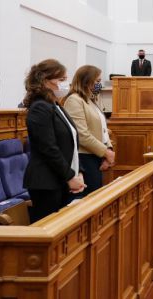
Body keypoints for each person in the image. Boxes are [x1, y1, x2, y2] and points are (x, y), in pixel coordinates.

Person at [23, 59, 86, 223]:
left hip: (59, 178)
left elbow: (70, 142)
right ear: (45, 81)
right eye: (60, 80)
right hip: (46, 182)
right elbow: (48, 148)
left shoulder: (55, 105)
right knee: (49, 230)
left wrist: (78, 172)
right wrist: (70, 176)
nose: (65, 85)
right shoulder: (39, 107)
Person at [63, 65, 115, 197]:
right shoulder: (74, 100)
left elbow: (103, 130)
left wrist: (108, 149)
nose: (99, 84)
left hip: (96, 156)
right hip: (85, 158)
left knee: (96, 196)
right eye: (97, 81)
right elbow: (82, 134)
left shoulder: (90, 100)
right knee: (89, 199)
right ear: (86, 80)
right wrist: (105, 152)